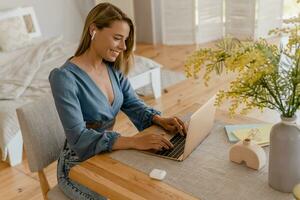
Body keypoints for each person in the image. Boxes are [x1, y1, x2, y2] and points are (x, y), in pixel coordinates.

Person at [49, 3, 186, 200]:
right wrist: (134, 142)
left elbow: (133, 104)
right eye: (117, 38)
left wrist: (159, 119)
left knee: (154, 187)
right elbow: (78, 139)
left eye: (125, 40)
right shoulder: (64, 78)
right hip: (78, 165)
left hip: (109, 154)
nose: (123, 47)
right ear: (93, 30)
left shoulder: (112, 69)